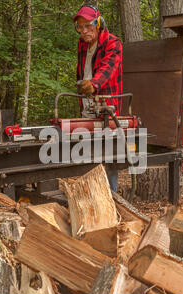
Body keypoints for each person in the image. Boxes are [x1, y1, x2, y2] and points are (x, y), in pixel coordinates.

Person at [73, 4, 122, 192]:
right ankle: (92, 195)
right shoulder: (82, 44)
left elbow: (108, 68)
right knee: (89, 154)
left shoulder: (113, 42)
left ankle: (111, 197)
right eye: (80, 27)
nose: (84, 31)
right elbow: (82, 71)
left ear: (98, 23)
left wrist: (93, 84)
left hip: (107, 108)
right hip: (86, 106)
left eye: (88, 26)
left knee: (109, 156)